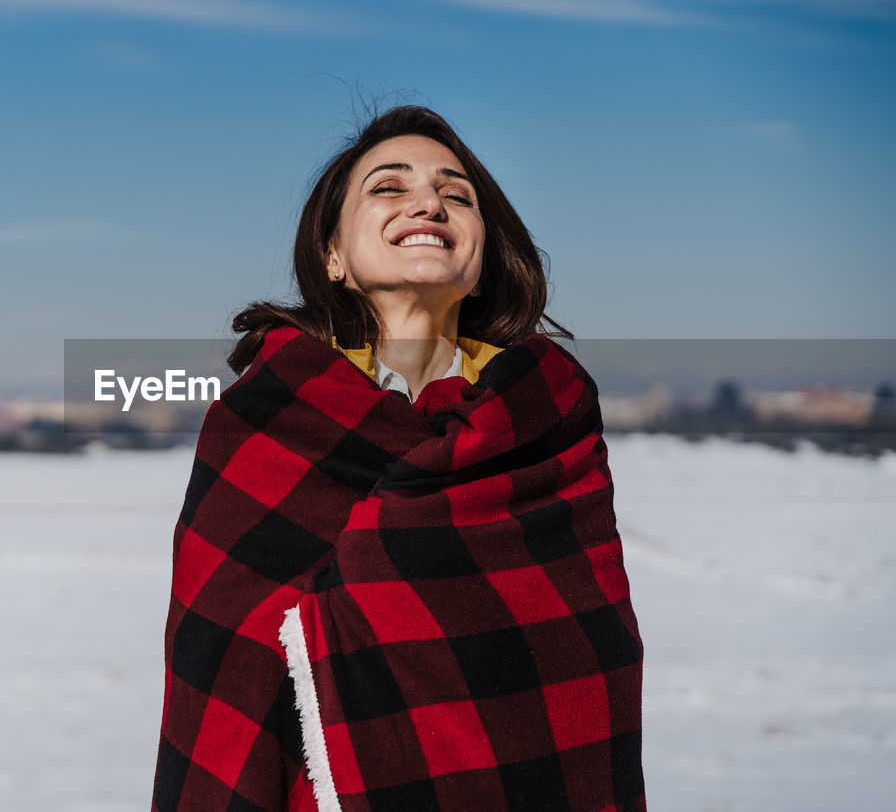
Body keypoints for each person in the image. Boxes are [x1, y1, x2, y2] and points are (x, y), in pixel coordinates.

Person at [152, 106, 646, 811]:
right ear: (334, 257)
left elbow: (590, 663)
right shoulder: (263, 421)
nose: (428, 202)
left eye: (457, 193)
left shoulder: (546, 415)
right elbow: (220, 663)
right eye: (389, 187)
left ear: (481, 260)